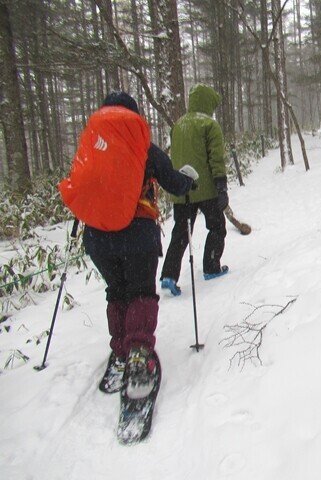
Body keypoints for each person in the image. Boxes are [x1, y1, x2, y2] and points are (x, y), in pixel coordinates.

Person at [82, 92, 196, 396]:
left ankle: (120, 351)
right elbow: (173, 182)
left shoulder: (91, 147)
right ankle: (139, 352)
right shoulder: (143, 146)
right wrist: (189, 183)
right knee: (142, 293)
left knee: (117, 291)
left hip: (98, 238)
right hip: (137, 234)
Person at [160, 84, 229, 296]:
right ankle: (211, 267)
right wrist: (221, 186)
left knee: (180, 234)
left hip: (182, 190)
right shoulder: (209, 125)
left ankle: (169, 276)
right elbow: (216, 157)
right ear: (207, 103)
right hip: (206, 190)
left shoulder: (178, 125)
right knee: (217, 227)